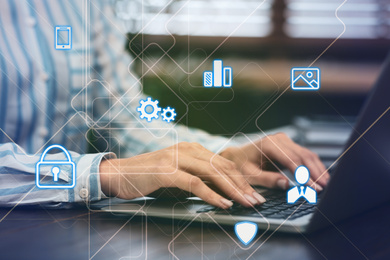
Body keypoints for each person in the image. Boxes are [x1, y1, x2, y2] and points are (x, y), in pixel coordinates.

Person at [0, 0, 329, 209]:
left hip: (65, 231)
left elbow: (123, 117)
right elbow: (111, 171)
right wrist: (107, 174)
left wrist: (223, 156)